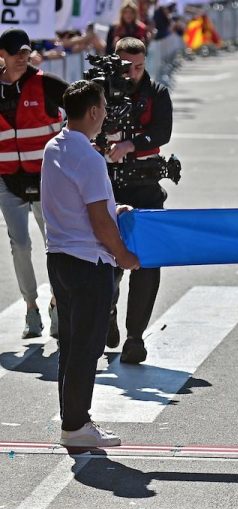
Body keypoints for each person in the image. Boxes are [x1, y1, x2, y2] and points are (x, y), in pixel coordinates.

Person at [42, 80, 140, 448]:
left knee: (71, 345)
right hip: (88, 263)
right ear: (95, 111)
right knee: (86, 347)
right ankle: (76, 424)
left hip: (60, 258)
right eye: (103, 107)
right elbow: (98, 221)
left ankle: (74, 419)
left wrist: (115, 211)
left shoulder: (55, 146)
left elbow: (80, 206)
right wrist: (124, 256)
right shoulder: (89, 156)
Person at [104, 36, 174, 364]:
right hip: (107, 187)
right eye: (126, 66)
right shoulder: (98, 92)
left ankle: (135, 337)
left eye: (139, 66)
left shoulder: (157, 93)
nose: (132, 73)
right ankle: (107, 311)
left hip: (145, 188)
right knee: (105, 258)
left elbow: (162, 132)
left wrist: (131, 143)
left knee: (146, 261)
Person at [0, 28, 67, 338]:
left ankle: (57, 303)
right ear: (2, 55)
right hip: (7, 181)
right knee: (20, 246)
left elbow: (85, 106)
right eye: (16, 53)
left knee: (54, 246)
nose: (22, 58)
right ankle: (31, 309)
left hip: (45, 179)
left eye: (26, 52)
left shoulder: (45, 83)